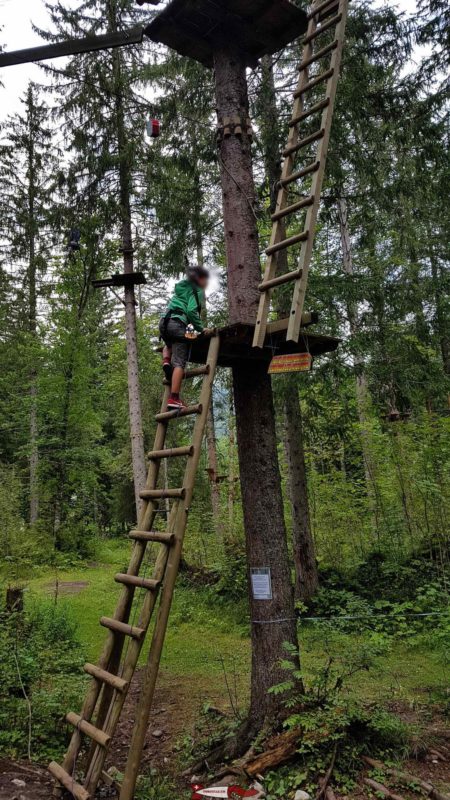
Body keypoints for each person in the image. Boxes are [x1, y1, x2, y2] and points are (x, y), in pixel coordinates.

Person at [159, 265, 211, 410]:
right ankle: (174, 398)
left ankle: (166, 361)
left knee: (169, 345)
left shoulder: (182, 289)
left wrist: (191, 333)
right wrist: (201, 329)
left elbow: (186, 319)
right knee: (180, 363)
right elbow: (191, 311)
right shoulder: (197, 290)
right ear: (200, 279)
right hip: (176, 324)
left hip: (164, 322)